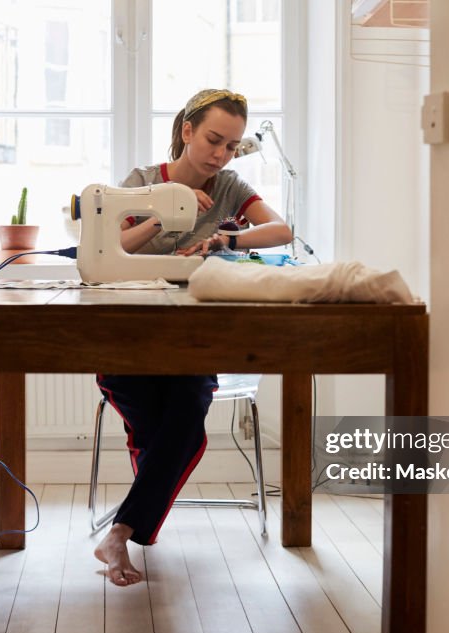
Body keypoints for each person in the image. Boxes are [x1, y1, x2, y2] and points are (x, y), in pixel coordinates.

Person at [93, 88, 292, 587]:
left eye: (230, 145)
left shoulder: (229, 186)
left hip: (189, 340)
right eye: (212, 140)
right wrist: (164, 213)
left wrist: (228, 238)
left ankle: (120, 532)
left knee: (180, 421)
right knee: (182, 432)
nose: (220, 154)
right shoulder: (140, 183)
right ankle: (131, 528)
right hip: (127, 337)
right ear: (186, 131)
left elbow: (282, 231)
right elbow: (105, 246)